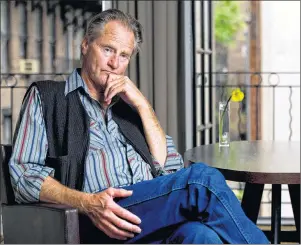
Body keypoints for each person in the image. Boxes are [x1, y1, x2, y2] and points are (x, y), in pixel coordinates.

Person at [8, 9, 269, 244]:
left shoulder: (130, 108)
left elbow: (170, 169)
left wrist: (143, 105)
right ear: (86, 45)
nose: (115, 63)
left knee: (201, 236)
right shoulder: (48, 97)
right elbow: (22, 176)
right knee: (203, 180)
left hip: (148, 218)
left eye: (124, 56)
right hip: (93, 219)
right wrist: (87, 203)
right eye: (108, 49)